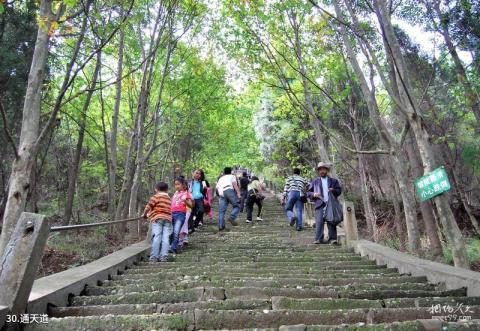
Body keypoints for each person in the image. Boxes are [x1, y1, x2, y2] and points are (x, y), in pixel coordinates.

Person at [307, 162, 342, 245]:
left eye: (323, 169)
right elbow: (308, 193)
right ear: (318, 171)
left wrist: (333, 190)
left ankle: (332, 239)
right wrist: (313, 194)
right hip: (319, 203)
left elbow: (339, 191)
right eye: (320, 169)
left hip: (330, 204)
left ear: (327, 170)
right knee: (319, 222)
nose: (322, 171)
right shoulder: (315, 182)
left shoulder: (333, 181)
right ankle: (318, 239)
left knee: (331, 221)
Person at [142, 182, 172, 262]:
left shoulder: (155, 197)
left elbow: (148, 207)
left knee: (157, 237)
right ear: (167, 190)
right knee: (165, 238)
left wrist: (145, 215)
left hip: (157, 218)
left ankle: (154, 256)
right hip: (168, 219)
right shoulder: (169, 198)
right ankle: (164, 256)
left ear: (156, 189)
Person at [171, 177, 193, 254]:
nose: (177, 186)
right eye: (175, 185)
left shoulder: (186, 193)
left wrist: (185, 202)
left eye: (178, 184)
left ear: (183, 185)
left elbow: (191, 205)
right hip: (172, 213)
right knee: (171, 230)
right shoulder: (175, 194)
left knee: (177, 231)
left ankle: (174, 247)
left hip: (180, 214)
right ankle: (171, 246)